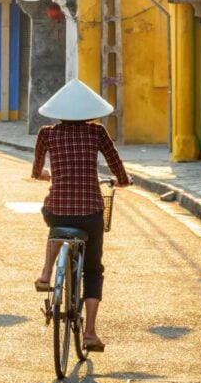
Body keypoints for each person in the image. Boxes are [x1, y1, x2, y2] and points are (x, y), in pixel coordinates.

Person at [31, 78, 132, 352]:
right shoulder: (96, 133)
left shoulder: (46, 134)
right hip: (90, 212)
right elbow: (116, 165)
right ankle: (89, 332)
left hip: (57, 210)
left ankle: (45, 274)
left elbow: (36, 170)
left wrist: (44, 175)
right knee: (93, 269)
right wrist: (122, 180)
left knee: (55, 224)